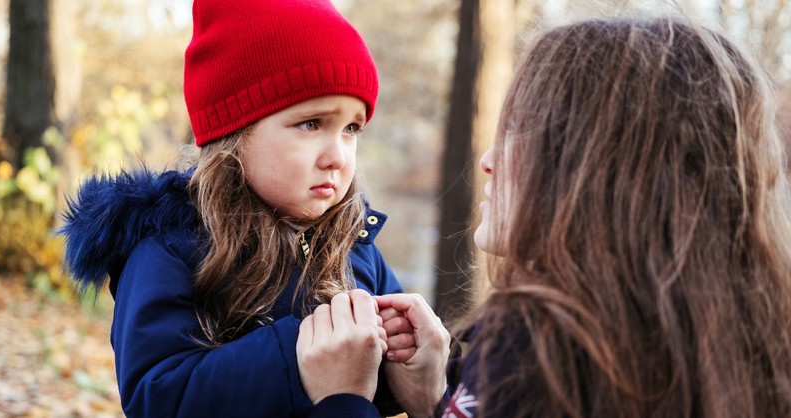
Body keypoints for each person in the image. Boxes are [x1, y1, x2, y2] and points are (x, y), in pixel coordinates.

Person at [298, 14, 791, 418]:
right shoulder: (726, 347)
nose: (488, 159)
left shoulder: (544, 352)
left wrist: (342, 399)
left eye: (522, 134)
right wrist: (436, 401)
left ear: (601, 171)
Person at [58, 0, 413, 416]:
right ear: (234, 132)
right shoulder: (172, 250)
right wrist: (298, 364)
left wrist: (400, 353)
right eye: (311, 124)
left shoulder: (355, 245)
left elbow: (372, 382)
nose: (338, 156)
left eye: (352, 128)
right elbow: (157, 396)